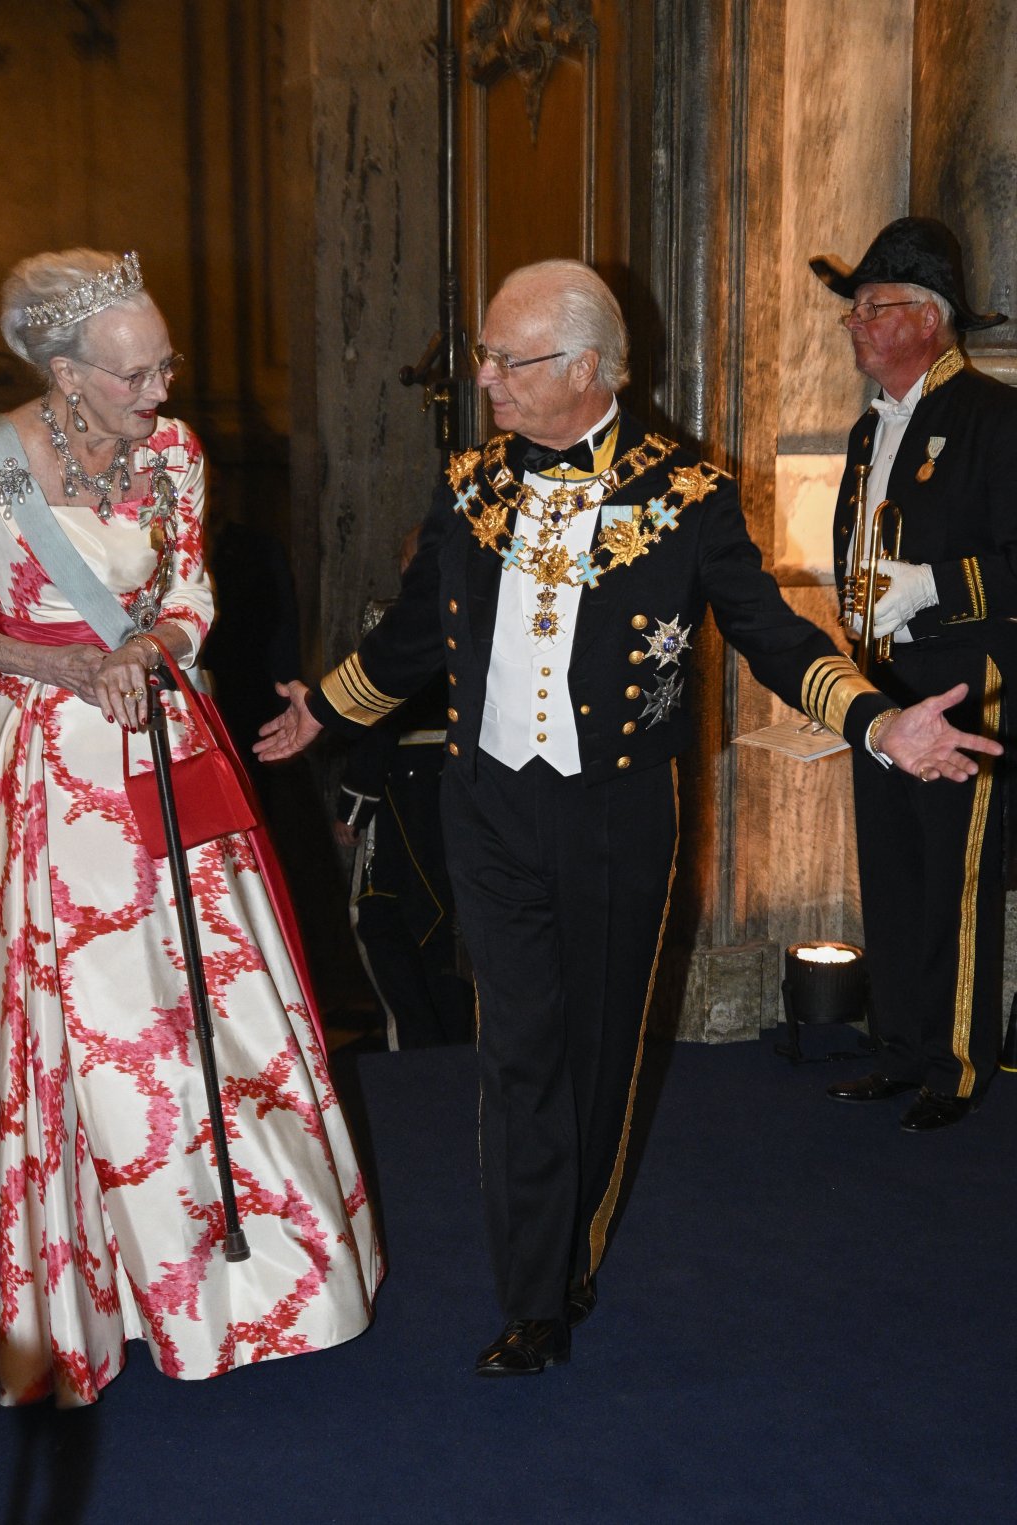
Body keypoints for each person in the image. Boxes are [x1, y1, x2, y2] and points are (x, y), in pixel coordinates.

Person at [256, 258, 1000, 1377]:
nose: (488, 379)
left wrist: (879, 724)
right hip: (488, 808)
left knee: (598, 1049)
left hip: (614, 815)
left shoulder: (687, 496)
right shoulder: (471, 483)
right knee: (518, 1048)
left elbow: (773, 636)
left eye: (511, 360)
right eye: (487, 357)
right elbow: (415, 635)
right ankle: (532, 1294)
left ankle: (574, 1245)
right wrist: (327, 704)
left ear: (588, 367)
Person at [0, 248, 379, 1406]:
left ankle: (231, 1278)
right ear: (65, 373)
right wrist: (53, 661)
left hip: (160, 749)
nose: (160, 393)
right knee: (45, 1008)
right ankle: (51, 1287)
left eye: (164, 365)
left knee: (192, 1001)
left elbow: (193, 597)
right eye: (134, 376)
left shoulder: (173, 453)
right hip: (36, 758)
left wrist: (146, 648)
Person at [810, 216, 1017, 1131]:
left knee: (953, 882)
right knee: (890, 872)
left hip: (966, 690)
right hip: (883, 688)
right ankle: (897, 1044)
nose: (854, 324)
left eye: (872, 307)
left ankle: (956, 1063)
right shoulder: (868, 430)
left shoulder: (993, 417)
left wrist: (934, 585)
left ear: (929, 319)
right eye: (853, 310)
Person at [334, 529, 472, 1049]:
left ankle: (419, 1044)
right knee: (444, 917)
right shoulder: (481, 607)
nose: (403, 566)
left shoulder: (391, 616)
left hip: (404, 788)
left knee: (383, 915)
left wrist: (354, 800)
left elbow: (378, 710)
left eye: (409, 556)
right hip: (468, 782)